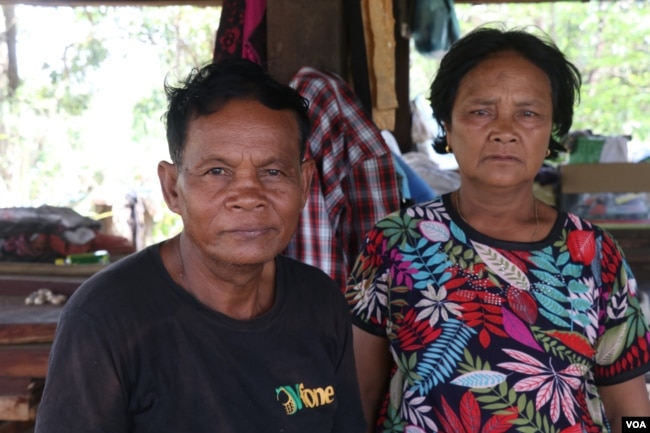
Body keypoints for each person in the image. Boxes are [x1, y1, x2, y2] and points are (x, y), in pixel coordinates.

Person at [35, 58, 366, 433]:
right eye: (217, 172)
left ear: (305, 184)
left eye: (272, 172)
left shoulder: (320, 303)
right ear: (173, 188)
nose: (247, 196)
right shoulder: (105, 318)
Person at [346, 25, 650, 433]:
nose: (504, 130)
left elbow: (631, 408)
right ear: (447, 128)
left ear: (550, 134)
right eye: (480, 111)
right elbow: (359, 393)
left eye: (527, 113)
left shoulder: (594, 252)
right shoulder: (398, 241)